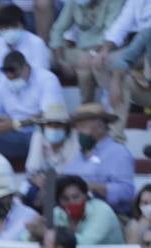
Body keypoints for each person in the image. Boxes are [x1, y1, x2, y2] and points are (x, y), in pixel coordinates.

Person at [0, 49, 63, 163]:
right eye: (9, 77)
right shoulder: (3, 82)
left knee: (42, 135)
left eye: (16, 76)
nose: (12, 80)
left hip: (37, 133)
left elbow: (48, 115)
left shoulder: (47, 79)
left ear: (26, 68)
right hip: (12, 133)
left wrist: (15, 124)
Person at [60, 103, 135, 215]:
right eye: (77, 126)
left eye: (83, 126)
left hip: (108, 214)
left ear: (100, 126)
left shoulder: (117, 152)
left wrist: (96, 187)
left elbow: (127, 192)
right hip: (73, 213)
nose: (79, 131)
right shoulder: (77, 155)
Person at [49, 0, 124, 102]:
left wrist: (91, 53)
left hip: (109, 49)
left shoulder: (115, 2)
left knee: (85, 64)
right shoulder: (75, 2)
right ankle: (87, 109)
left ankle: (86, 106)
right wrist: (60, 60)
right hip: (82, 51)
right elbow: (58, 29)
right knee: (49, 56)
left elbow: (111, 35)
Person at [100, 0, 151, 132]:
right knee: (122, 79)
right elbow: (123, 59)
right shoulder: (147, 33)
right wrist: (116, 81)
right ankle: (115, 138)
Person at [22, 103, 77, 206]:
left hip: (67, 184)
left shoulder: (74, 140)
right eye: (49, 124)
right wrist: (37, 179)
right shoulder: (38, 136)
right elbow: (32, 170)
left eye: (58, 125)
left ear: (66, 128)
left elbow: (72, 173)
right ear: (43, 127)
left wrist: (49, 185)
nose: (53, 128)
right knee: (29, 194)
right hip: (43, 183)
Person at [51, 175, 124, 246]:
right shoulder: (57, 213)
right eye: (65, 198)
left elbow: (85, 243)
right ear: (59, 201)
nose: (71, 202)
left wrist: (50, 235)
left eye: (76, 197)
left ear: (85, 195)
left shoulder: (101, 211)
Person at [0, 4, 50, 72]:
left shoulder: (36, 43)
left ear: (22, 24)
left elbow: (42, 72)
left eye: (14, 26)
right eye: (5, 27)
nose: (10, 30)